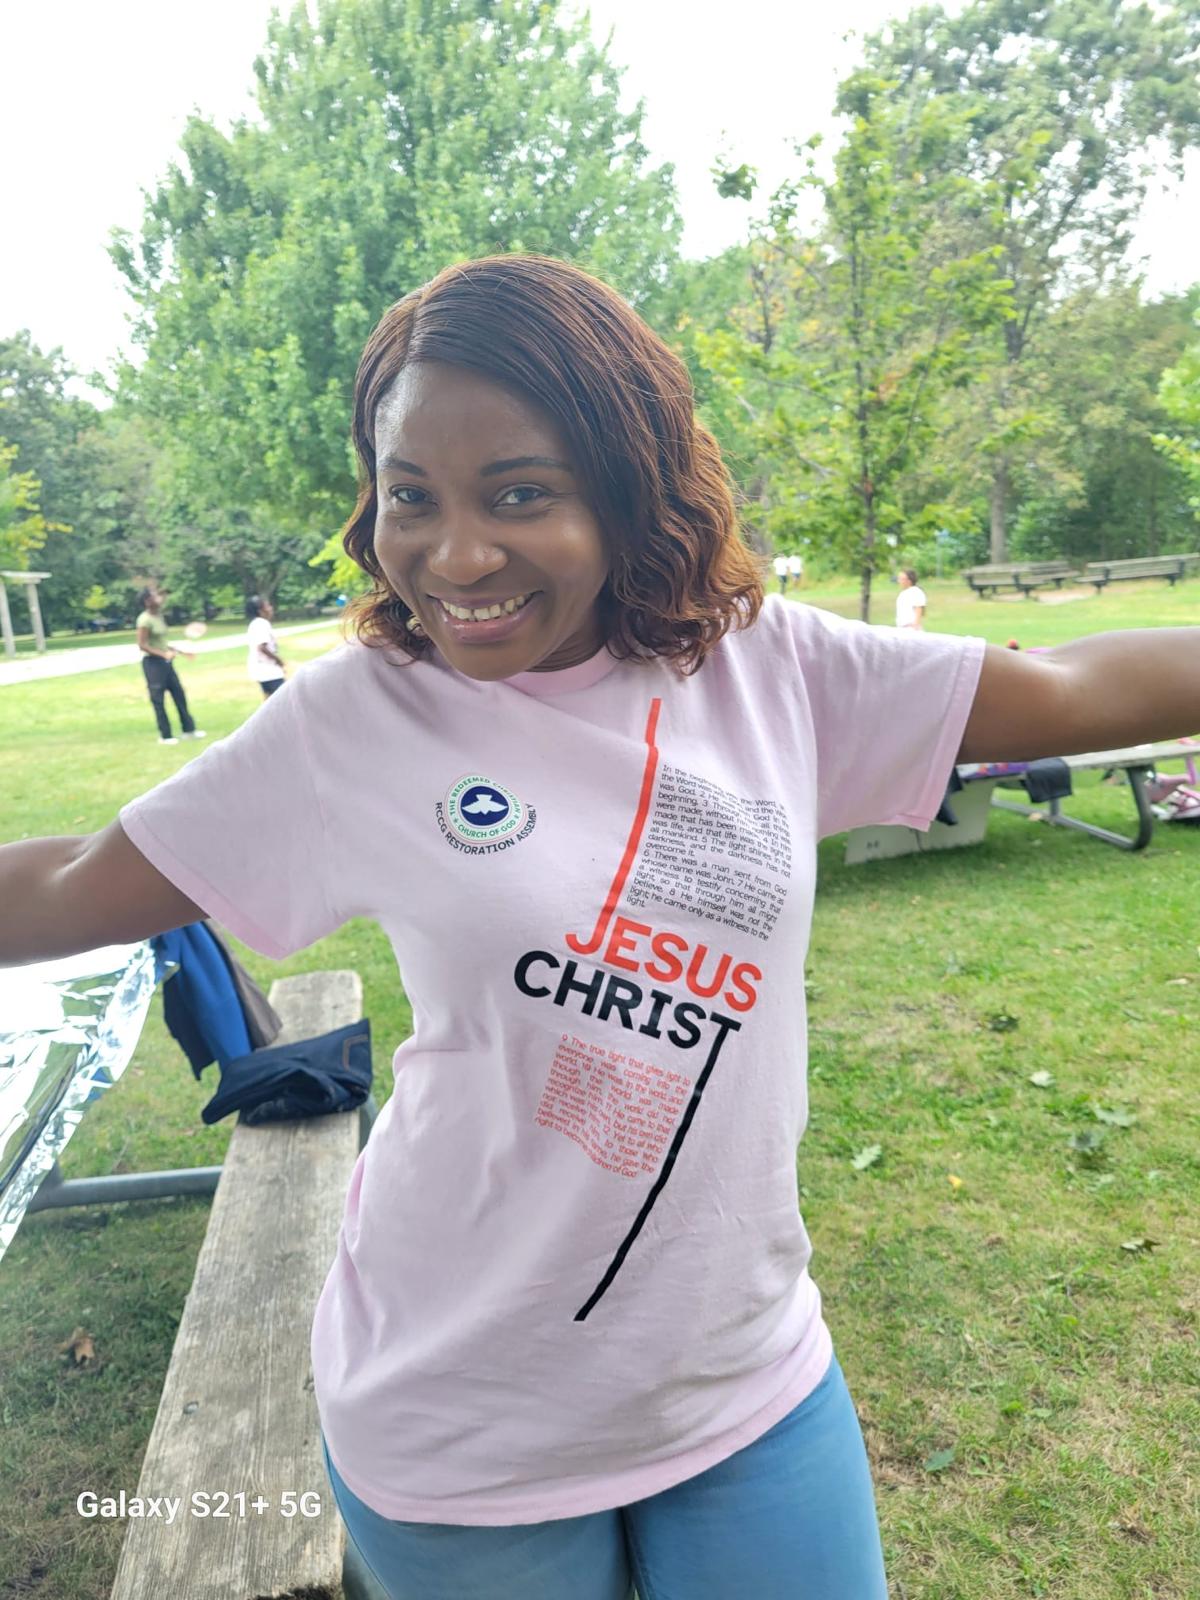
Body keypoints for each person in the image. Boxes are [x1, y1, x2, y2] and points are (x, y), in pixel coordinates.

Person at [3, 255, 1198, 1600]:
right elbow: (74, 880)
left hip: (742, 1380)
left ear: (630, 486)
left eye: (519, 493)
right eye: (412, 496)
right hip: (460, 1414)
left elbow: (1074, 687)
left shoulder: (766, 667)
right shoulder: (356, 724)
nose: (457, 555)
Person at [134, 585, 205, 745]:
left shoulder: (158, 616)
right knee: (158, 700)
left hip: (166, 663)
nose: (159, 598)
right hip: (152, 664)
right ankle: (165, 736)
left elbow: (161, 642)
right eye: (155, 596)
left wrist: (181, 652)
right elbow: (142, 645)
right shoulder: (144, 620)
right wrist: (163, 654)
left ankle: (189, 730)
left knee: (179, 694)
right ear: (147, 601)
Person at [245, 595, 286, 697]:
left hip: (262, 670)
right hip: (269, 671)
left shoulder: (255, 624)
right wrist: (278, 660)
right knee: (282, 698)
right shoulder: (261, 624)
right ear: (260, 611)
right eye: (267, 606)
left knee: (269, 699)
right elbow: (262, 647)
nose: (271, 608)